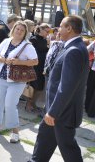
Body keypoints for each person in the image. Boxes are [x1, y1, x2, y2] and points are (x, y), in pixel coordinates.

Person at [29, 15, 89, 162]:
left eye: (61, 26)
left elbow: (66, 87)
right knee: (43, 141)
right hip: (55, 109)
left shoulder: (74, 50)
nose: (58, 29)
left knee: (69, 150)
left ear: (69, 28)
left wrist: (53, 112)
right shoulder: (71, 47)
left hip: (61, 112)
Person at [0, 21, 38, 143]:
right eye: (17, 29)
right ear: (13, 29)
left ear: (25, 33)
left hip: (17, 80)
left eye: (22, 30)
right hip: (2, 77)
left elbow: (35, 61)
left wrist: (19, 62)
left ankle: (15, 132)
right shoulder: (6, 41)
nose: (18, 31)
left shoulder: (27, 46)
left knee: (10, 105)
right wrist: (4, 60)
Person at [26, 23, 50, 112]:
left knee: (39, 87)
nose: (48, 33)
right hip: (34, 66)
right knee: (33, 85)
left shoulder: (44, 40)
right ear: (42, 30)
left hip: (42, 66)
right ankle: (28, 104)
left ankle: (33, 103)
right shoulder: (33, 39)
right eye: (47, 31)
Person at [86, 40, 95, 117]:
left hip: (93, 69)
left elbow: (87, 49)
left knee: (90, 90)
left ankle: (89, 110)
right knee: (90, 90)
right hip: (93, 69)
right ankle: (90, 111)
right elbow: (86, 50)